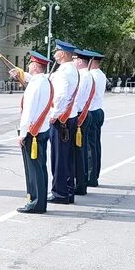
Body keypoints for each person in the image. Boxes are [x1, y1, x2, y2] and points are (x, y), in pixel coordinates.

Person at [17, 52, 53, 214]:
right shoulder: (45, 82)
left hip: (33, 132)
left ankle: (36, 203)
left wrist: (23, 133)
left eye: (30, 64)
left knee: (33, 169)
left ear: (36, 67)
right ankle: (40, 201)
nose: (29, 66)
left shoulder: (35, 84)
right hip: (43, 129)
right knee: (40, 168)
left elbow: (28, 110)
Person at [48, 40, 80, 204]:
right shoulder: (72, 70)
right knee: (67, 157)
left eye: (56, 50)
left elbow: (60, 95)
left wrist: (54, 114)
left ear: (62, 54)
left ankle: (60, 193)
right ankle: (67, 190)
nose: (54, 53)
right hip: (70, 116)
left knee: (59, 158)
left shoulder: (63, 72)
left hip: (62, 119)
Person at [71, 50, 96, 196]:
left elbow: (77, 98)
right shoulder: (87, 75)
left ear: (80, 61)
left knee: (78, 152)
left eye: (74, 59)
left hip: (80, 115)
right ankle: (82, 182)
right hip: (84, 114)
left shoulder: (83, 76)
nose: (73, 62)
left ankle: (79, 184)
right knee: (82, 151)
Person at [85, 51, 106, 187]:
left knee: (90, 147)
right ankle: (94, 174)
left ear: (91, 62)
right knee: (96, 145)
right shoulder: (101, 74)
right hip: (98, 110)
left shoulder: (91, 75)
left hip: (91, 112)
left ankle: (91, 177)